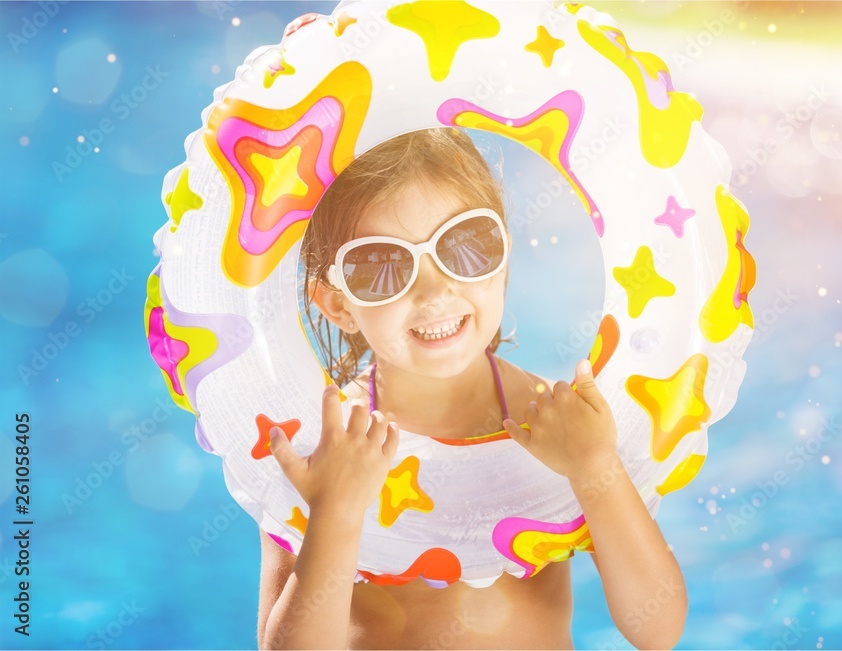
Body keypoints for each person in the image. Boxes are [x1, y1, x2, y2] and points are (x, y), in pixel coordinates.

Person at [257, 128, 687, 649]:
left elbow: (658, 629)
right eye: (382, 266)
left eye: (464, 244)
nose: (435, 291)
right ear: (338, 304)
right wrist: (335, 511)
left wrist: (596, 467)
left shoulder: (563, 425)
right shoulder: (323, 451)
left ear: (502, 256)